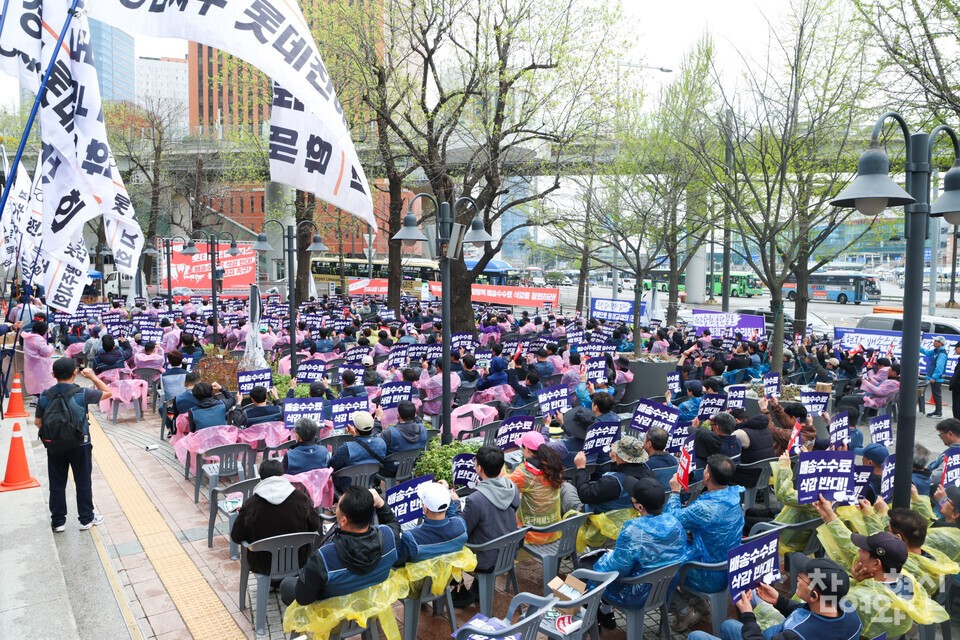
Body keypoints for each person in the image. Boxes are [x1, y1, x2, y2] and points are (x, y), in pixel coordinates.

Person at [687, 554, 863, 640]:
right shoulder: (849, 612)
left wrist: (748, 614)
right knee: (728, 625)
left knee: (696, 636)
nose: (798, 579)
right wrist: (780, 601)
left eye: (801, 577)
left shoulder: (797, 634)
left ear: (814, 595)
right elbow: (810, 613)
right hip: (774, 633)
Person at [592, 478, 688, 628]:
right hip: (665, 589)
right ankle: (604, 613)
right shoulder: (675, 523)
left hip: (635, 594)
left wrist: (600, 561)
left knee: (588, 576)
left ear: (639, 506)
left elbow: (617, 568)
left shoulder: (634, 531)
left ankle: (594, 619)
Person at [280, 487, 400, 605]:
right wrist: (381, 504)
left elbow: (304, 599)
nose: (335, 509)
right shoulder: (389, 536)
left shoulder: (322, 558)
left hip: (332, 609)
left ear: (343, 521)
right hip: (371, 600)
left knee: (287, 585)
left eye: (337, 507)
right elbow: (393, 523)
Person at [667, 454, 745, 631]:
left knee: (657, 565)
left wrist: (674, 492)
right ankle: (699, 602)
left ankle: (684, 610)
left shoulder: (705, 508)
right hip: (728, 566)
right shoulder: (734, 494)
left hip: (708, 573)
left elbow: (671, 521)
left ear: (707, 476)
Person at [35, 357, 113, 531]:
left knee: (57, 482)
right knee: (83, 481)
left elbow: (38, 423)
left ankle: (58, 522)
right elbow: (108, 392)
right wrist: (92, 376)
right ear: (74, 373)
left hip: (54, 446)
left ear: (53, 374)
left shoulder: (45, 396)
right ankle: (86, 519)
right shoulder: (82, 393)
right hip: (80, 444)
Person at [449, 445, 520, 608]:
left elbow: (461, 529)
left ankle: (459, 593)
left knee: (448, 540)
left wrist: (455, 503)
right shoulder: (512, 488)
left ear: (479, 468)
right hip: (507, 554)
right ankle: (477, 588)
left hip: (485, 559)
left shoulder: (476, 499)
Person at [229, 459, 320, 575]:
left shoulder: (250, 505)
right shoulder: (301, 498)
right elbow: (315, 525)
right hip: (298, 560)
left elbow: (236, 536)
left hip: (263, 565)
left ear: (261, 478)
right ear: (283, 475)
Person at [572, 435, 654, 513]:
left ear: (620, 456)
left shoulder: (611, 482)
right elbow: (624, 472)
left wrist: (581, 468)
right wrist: (615, 463)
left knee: (566, 488)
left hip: (599, 518)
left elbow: (585, 495)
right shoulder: (649, 474)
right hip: (630, 517)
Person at [508, 431, 564, 544]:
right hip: (554, 529)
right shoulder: (553, 465)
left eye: (522, 447)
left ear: (527, 450)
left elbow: (505, 487)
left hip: (532, 534)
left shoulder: (524, 473)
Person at [394, 481, 467, 565]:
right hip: (451, 577)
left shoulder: (411, 538)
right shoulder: (461, 525)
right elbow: (454, 516)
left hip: (420, 578)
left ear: (425, 508)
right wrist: (445, 493)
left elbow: (397, 561)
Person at [329, 411, 387, 490]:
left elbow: (332, 465)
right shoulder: (381, 443)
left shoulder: (347, 448)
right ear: (372, 426)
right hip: (368, 482)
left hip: (346, 486)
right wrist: (356, 435)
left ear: (355, 428)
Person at [378, 401, 427, 476]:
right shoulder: (422, 429)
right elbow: (419, 421)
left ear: (398, 415)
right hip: (412, 466)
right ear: (414, 415)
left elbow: (375, 444)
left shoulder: (390, 433)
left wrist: (377, 419)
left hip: (391, 469)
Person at [23, 320, 55, 397]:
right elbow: (46, 352)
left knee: (35, 383)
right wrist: (50, 346)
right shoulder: (37, 339)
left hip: (31, 363)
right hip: (41, 365)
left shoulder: (28, 336)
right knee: (43, 385)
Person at [922, 336, 949, 417]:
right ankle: (937, 411)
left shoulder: (941, 354)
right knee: (935, 394)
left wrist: (934, 377)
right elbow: (927, 352)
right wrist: (917, 346)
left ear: (940, 343)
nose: (934, 342)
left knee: (936, 394)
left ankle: (938, 412)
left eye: (936, 341)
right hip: (933, 377)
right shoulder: (936, 351)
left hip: (936, 378)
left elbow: (939, 367)